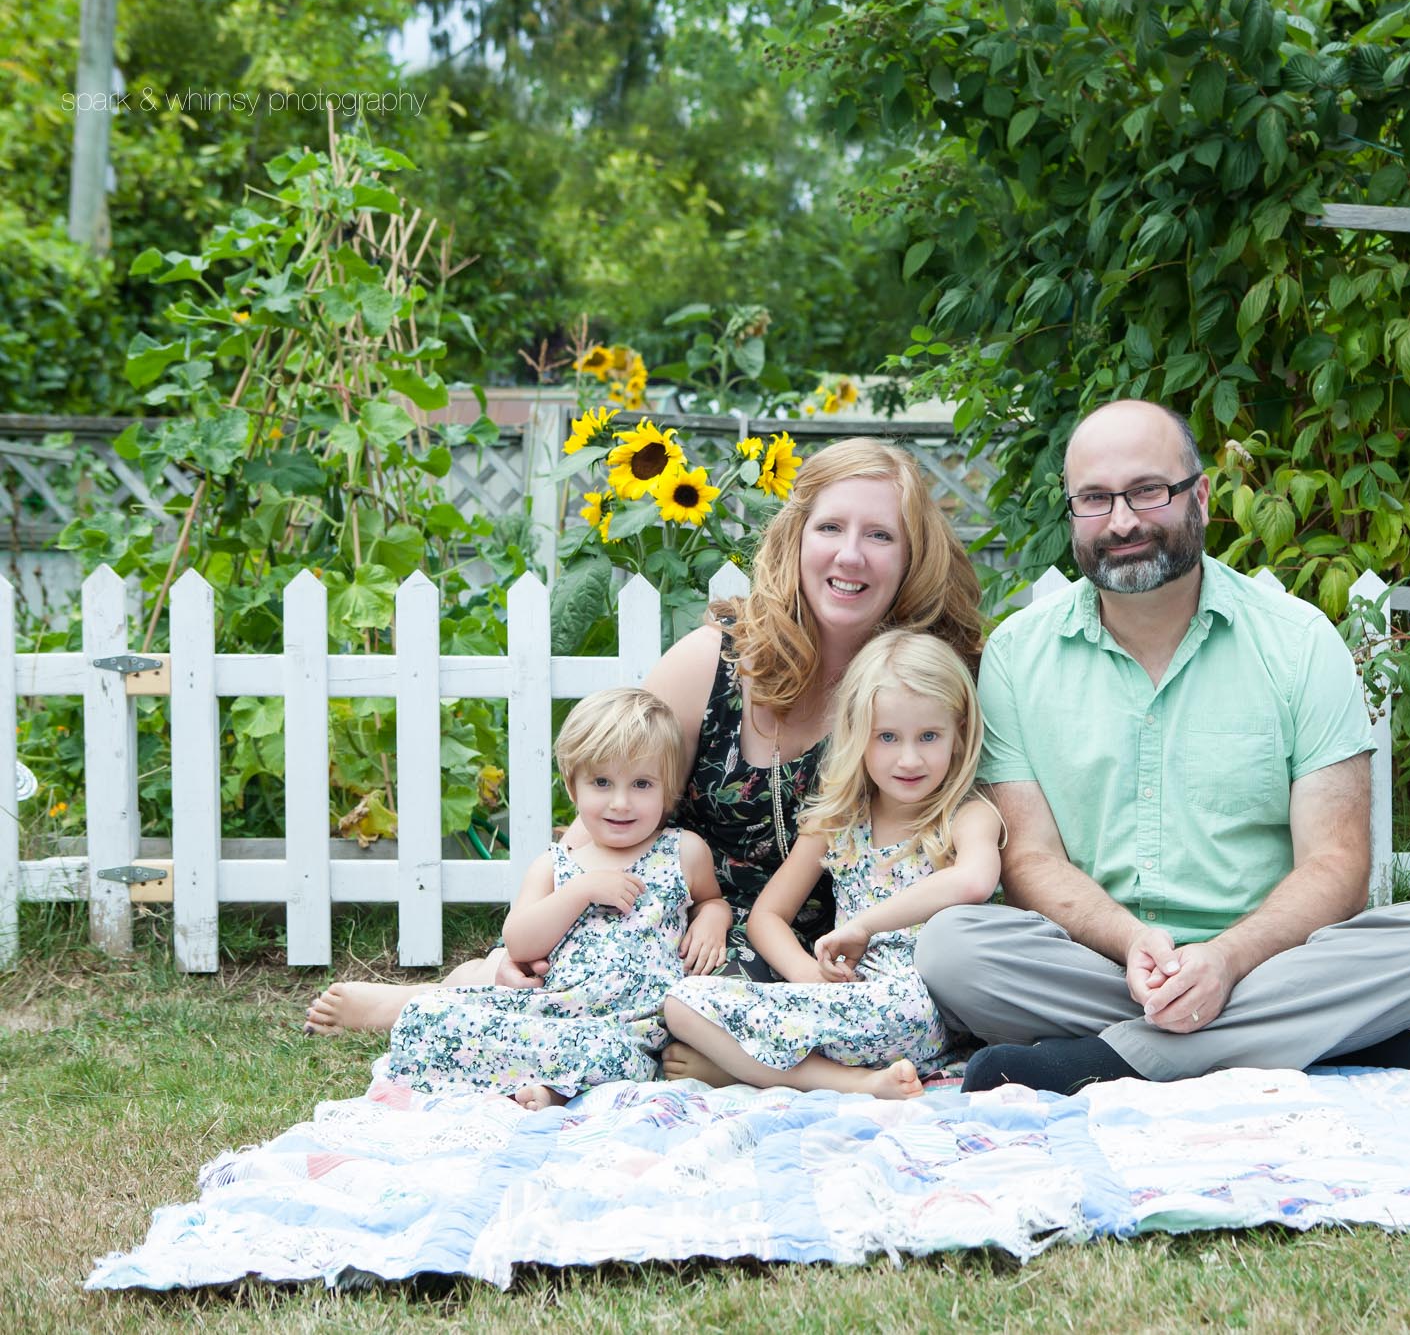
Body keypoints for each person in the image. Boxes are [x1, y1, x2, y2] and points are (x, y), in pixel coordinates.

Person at [304, 437, 985, 1044]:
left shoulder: (920, 688)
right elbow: (605, 807)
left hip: (810, 954)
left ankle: (473, 998)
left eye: (880, 536)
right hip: (664, 922)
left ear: (912, 555)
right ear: (796, 539)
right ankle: (436, 997)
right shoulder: (714, 661)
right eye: (830, 526)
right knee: (575, 983)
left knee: (693, 1018)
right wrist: (536, 930)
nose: (850, 554)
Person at [915, 398, 1410, 1096]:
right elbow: (1028, 858)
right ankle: (1313, 1038)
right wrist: (1130, 942)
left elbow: (1338, 863)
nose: (1121, 521)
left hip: (1268, 960)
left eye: (1148, 491)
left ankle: (1105, 1059)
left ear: (1201, 496)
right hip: (1102, 965)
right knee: (952, 949)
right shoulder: (1017, 656)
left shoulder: (1298, 642)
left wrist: (1225, 959)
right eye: (1094, 499)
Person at [661, 629, 1001, 1099]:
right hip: (840, 1002)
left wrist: (864, 926)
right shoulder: (839, 820)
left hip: (920, 1009)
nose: (908, 757)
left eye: (929, 736)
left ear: (958, 738)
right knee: (682, 1003)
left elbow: (975, 881)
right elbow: (767, 916)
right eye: (887, 736)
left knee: (904, 1008)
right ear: (858, 737)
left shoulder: (965, 816)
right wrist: (806, 975)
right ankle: (854, 1082)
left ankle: (749, 1067)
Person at [382, 687, 727, 1109]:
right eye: (602, 782)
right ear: (572, 786)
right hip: (552, 1014)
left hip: (630, 1029)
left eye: (641, 783)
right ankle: (546, 1080)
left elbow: (710, 899)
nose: (620, 802)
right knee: (428, 1017)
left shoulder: (683, 851)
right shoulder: (555, 865)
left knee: (620, 1057)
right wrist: (580, 891)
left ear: (668, 790)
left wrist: (713, 917)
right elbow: (521, 943)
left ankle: (542, 1085)